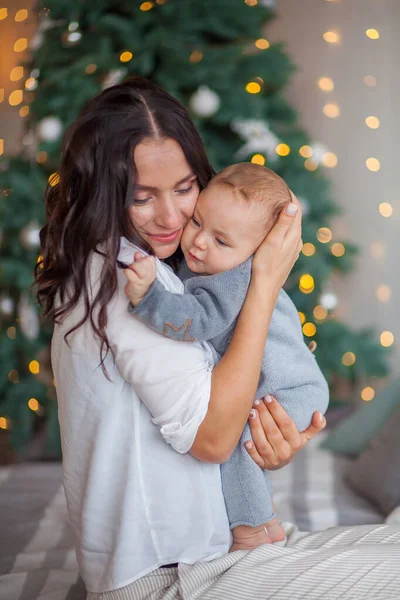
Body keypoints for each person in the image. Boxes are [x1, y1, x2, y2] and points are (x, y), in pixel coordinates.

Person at [35, 77, 400, 600]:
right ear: (104, 194)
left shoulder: (159, 267)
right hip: (170, 576)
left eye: (184, 189)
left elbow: (228, 412)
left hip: (210, 551)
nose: (171, 218)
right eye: (142, 198)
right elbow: (212, 439)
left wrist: (264, 437)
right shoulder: (127, 275)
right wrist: (265, 282)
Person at [123, 161, 329, 551]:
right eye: (198, 222)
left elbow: (199, 320)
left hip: (291, 389)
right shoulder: (211, 263)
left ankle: (253, 527)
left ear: (257, 251)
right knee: (241, 438)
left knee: (238, 440)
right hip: (279, 385)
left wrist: (149, 299)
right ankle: (265, 523)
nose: (198, 242)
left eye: (221, 241)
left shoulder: (234, 278)